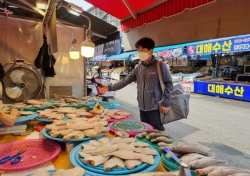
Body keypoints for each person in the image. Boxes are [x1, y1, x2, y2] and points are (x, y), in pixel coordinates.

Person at [107, 37, 173, 131]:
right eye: (138, 50)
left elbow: (169, 84)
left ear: (150, 51)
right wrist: (111, 87)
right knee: (145, 130)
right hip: (142, 106)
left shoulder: (160, 66)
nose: (140, 52)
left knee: (157, 131)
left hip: (154, 107)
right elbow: (126, 80)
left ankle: (163, 146)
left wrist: (166, 103)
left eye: (142, 50)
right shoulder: (139, 67)